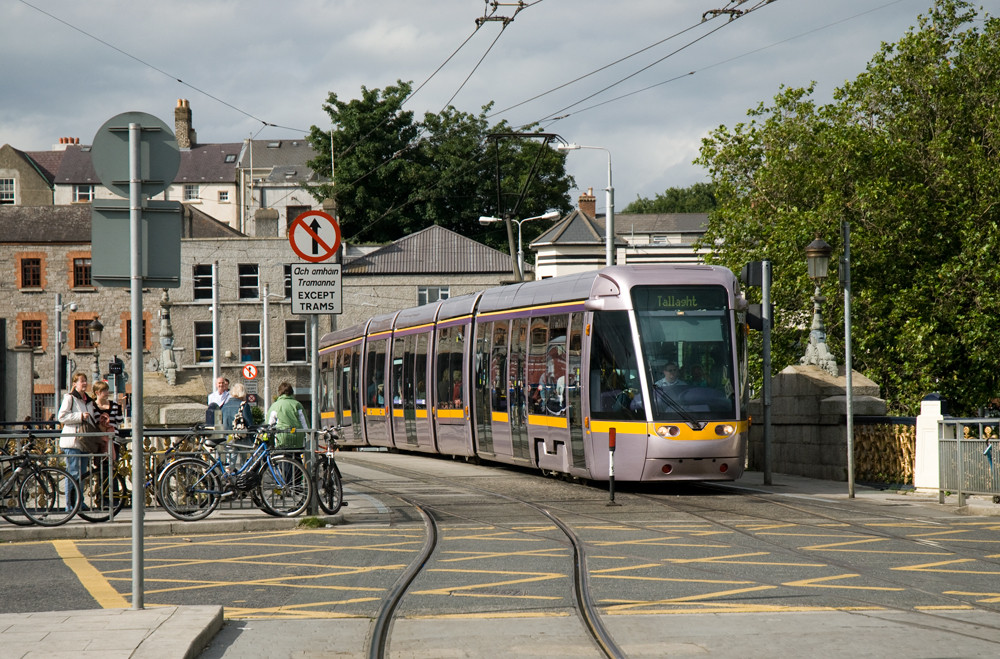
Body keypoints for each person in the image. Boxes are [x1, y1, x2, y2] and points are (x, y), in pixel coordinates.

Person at [57, 372, 98, 493]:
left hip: (84, 441)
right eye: (82, 381)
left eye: (85, 380)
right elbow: (62, 417)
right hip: (72, 441)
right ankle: (70, 505)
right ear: (75, 384)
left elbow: (90, 419)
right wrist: (79, 416)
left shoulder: (88, 401)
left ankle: (79, 502)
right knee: (73, 472)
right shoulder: (70, 398)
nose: (84, 383)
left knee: (82, 474)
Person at [267, 381, 307, 452]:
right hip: (297, 439)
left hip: (282, 439)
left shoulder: (275, 406)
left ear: (279, 393)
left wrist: (271, 441)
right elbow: (305, 425)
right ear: (292, 392)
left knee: (282, 461)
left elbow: (269, 425)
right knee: (296, 460)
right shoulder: (297, 405)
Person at [92, 380, 123, 456]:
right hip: (99, 440)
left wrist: (119, 407)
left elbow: (119, 421)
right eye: (104, 391)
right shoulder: (92, 406)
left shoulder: (114, 404)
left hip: (113, 439)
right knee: (100, 464)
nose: (107, 393)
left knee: (114, 462)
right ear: (97, 393)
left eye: (107, 390)